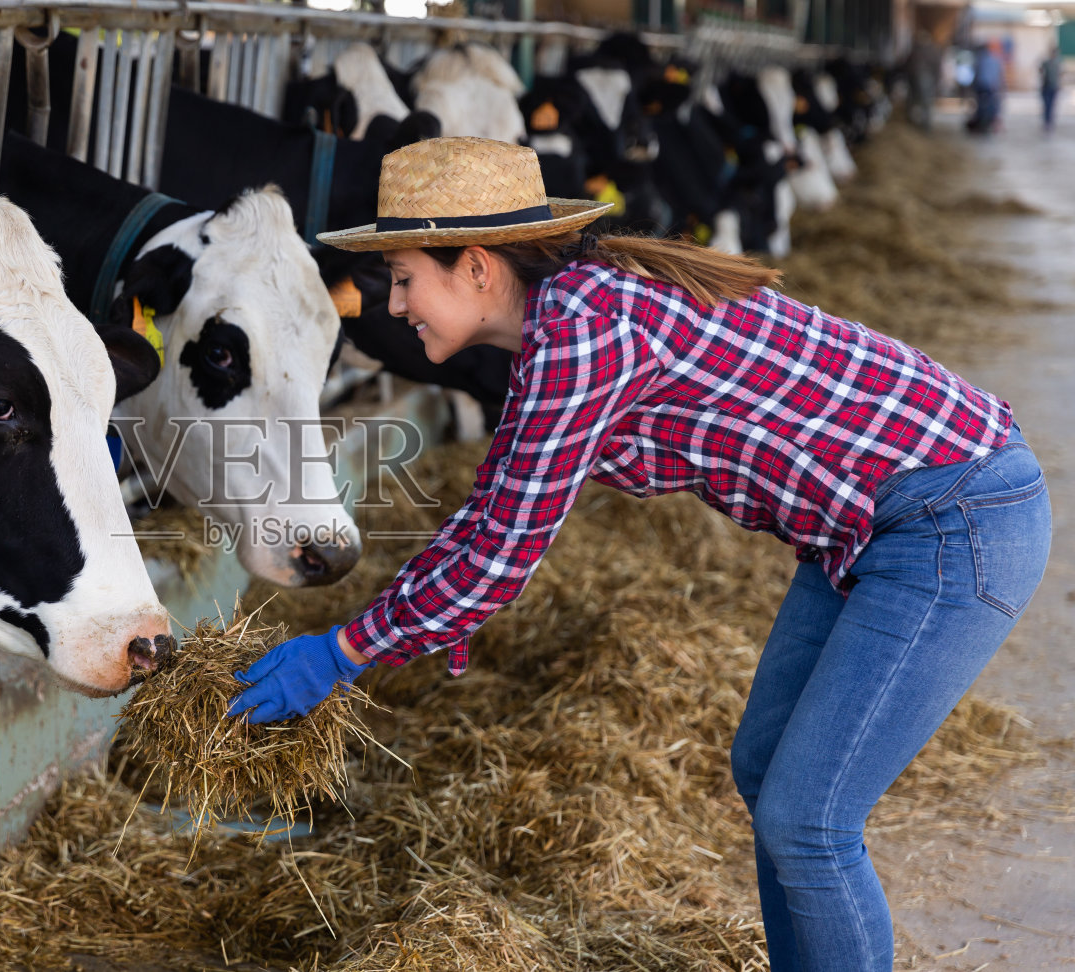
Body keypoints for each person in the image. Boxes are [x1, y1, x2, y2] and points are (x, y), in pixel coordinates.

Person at [225, 137, 1051, 972]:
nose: (395, 304)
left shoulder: (584, 331)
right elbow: (491, 515)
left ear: (475, 268)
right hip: (870, 527)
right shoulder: (569, 322)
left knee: (810, 819)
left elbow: (499, 554)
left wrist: (344, 652)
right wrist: (386, 629)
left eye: (405, 279)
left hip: (953, 520)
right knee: (767, 771)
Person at [1041, 45, 1062, 133]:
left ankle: (1049, 122)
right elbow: (1041, 71)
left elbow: (1059, 75)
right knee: (1047, 105)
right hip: (1046, 87)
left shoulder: (1057, 63)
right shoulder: (1046, 62)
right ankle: (1047, 122)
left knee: (1051, 106)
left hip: (1054, 87)